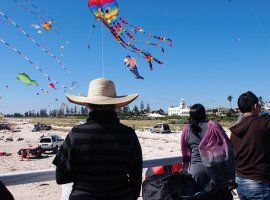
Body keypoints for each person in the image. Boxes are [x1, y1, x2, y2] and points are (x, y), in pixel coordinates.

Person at [53, 77, 143, 200]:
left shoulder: (76, 133)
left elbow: (60, 177)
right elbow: (136, 178)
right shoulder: (128, 134)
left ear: (89, 105)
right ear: (115, 105)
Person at [180, 103, 233, 200]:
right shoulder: (214, 126)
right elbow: (225, 144)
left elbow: (185, 150)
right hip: (215, 168)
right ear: (204, 113)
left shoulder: (187, 129)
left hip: (196, 170)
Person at [229, 91, 270, 200]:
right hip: (258, 182)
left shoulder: (234, 130)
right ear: (255, 106)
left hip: (240, 181)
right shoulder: (264, 124)